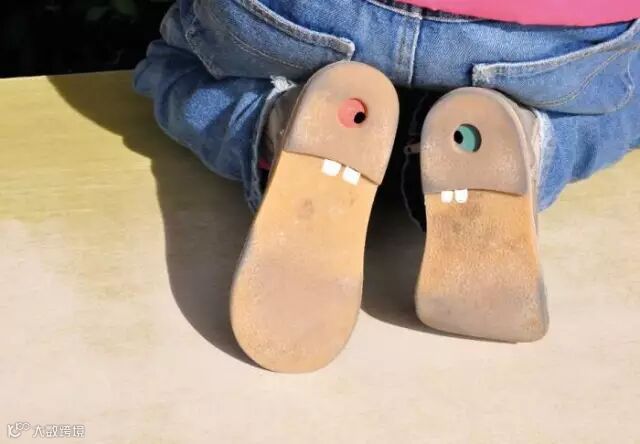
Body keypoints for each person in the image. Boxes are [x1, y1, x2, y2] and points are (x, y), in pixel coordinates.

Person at [133, 0, 640, 372]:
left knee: (173, 65)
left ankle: (277, 125)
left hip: (303, 16)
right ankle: (526, 146)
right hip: (551, 39)